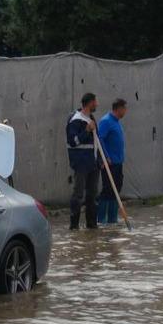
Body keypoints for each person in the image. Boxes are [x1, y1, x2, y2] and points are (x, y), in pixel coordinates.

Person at [65, 93, 100, 230]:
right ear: (90, 103)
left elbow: (96, 142)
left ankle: (92, 225)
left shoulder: (91, 119)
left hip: (93, 163)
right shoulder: (76, 120)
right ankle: (74, 226)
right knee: (78, 194)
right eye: (95, 101)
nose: (97, 104)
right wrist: (86, 131)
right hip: (81, 163)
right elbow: (73, 142)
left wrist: (100, 159)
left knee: (93, 195)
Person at [97, 98, 128, 224]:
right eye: (124, 108)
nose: (126, 111)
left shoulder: (117, 122)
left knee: (116, 189)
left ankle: (112, 220)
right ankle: (102, 220)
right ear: (119, 108)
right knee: (108, 190)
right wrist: (106, 156)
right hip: (109, 163)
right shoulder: (106, 121)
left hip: (118, 162)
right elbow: (100, 139)